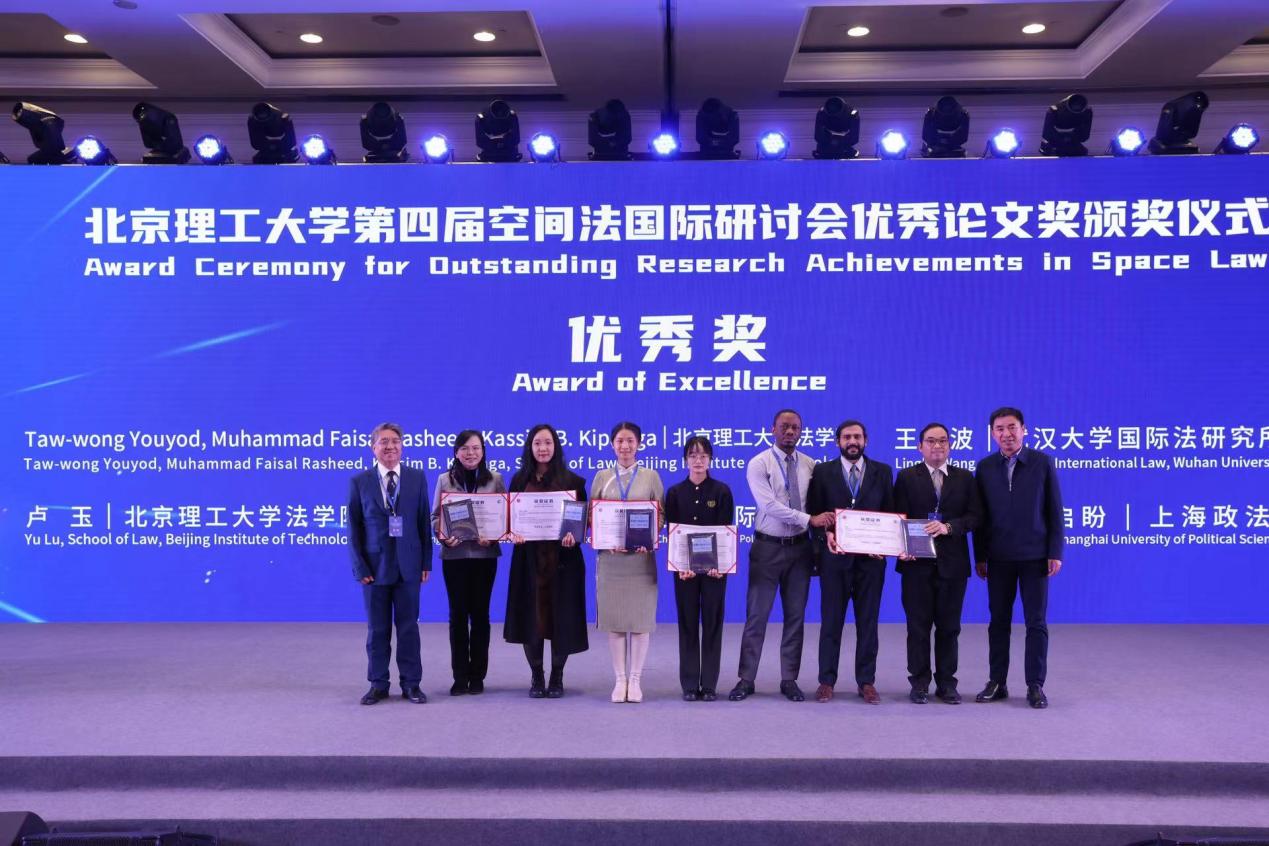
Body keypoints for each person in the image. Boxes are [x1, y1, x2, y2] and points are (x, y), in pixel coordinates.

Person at [730, 409, 835, 703]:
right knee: (757, 617)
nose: (790, 432)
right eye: (784, 427)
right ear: (772, 429)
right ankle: (746, 679)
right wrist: (809, 519)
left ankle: (789, 679)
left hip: (800, 550)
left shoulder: (811, 465)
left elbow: (819, 503)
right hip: (767, 548)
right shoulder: (759, 463)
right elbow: (769, 506)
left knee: (795, 617)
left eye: (795, 428)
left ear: (801, 431)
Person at [973, 407, 1064, 709]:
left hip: (1034, 557)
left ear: (1024, 429)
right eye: (999, 429)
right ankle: (997, 682)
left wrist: (1054, 551)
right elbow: (981, 518)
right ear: (992, 434)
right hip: (998, 557)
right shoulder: (985, 467)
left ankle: (1035, 685)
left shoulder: (1042, 462)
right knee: (998, 622)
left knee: (1035, 622)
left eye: (1012, 427)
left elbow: (1054, 511)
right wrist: (980, 555)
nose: (1006, 434)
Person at [892, 423, 983, 705]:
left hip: (953, 566)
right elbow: (897, 517)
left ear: (950, 446)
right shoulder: (906, 477)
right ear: (920, 447)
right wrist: (901, 548)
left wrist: (949, 527)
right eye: (931, 441)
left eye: (943, 441)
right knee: (917, 628)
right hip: (916, 565)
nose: (937, 446)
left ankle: (947, 684)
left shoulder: (965, 478)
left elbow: (976, 517)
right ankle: (919, 683)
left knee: (949, 627)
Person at [808, 420, 894, 705]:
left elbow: (890, 514)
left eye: (857, 436)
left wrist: (885, 544)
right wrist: (825, 535)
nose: (852, 441)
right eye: (847, 437)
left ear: (866, 440)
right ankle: (826, 681)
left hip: (871, 563)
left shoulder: (883, 472)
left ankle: (866, 682)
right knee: (831, 622)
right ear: (838, 442)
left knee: (868, 623)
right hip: (835, 561)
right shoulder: (822, 472)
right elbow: (814, 514)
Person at [347, 422, 432, 705]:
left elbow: (423, 522)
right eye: (384, 442)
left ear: (402, 446)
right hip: (374, 569)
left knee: (409, 629)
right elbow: (353, 529)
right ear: (373, 448)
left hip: (409, 566)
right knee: (377, 630)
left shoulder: (417, 478)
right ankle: (378, 684)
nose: (390, 446)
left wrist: (426, 562)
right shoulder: (359, 482)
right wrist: (360, 567)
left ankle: (411, 684)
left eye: (395, 441)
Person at [504, 424, 589, 698]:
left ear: (556, 447)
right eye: (538, 443)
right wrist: (512, 532)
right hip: (529, 562)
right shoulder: (519, 481)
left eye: (548, 443)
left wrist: (574, 536)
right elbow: (509, 520)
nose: (543, 448)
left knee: (561, 618)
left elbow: (581, 523)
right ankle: (537, 675)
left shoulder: (573, 482)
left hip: (563, 562)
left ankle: (557, 676)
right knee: (532, 618)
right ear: (530, 447)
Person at [592, 421, 665, 704]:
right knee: (616, 621)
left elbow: (660, 514)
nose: (625, 446)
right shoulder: (602, 477)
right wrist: (602, 536)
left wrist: (650, 536)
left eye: (630, 441)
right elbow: (593, 515)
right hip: (611, 561)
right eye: (620, 441)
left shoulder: (651, 476)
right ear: (612, 445)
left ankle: (635, 680)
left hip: (641, 560)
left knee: (640, 620)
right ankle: (619, 679)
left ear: (639, 444)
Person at [431, 430, 505, 697]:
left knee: (481, 616)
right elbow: (435, 517)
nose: (470, 453)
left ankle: (478, 676)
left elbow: (505, 516)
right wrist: (444, 537)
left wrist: (494, 536)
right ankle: (460, 676)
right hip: (455, 557)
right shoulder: (445, 479)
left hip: (485, 557)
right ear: (456, 452)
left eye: (475, 448)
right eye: (464, 448)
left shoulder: (495, 479)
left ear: (483, 451)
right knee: (458, 616)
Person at [664, 435, 735, 702]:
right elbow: (673, 533)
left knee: (713, 623)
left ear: (710, 460)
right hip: (684, 571)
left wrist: (720, 565)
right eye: (693, 456)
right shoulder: (675, 493)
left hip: (716, 571)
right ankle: (690, 684)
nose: (698, 461)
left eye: (703, 456)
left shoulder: (722, 491)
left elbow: (725, 532)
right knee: (688, 623)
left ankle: (709, 685)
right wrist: (681, 565)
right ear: (685, 460)